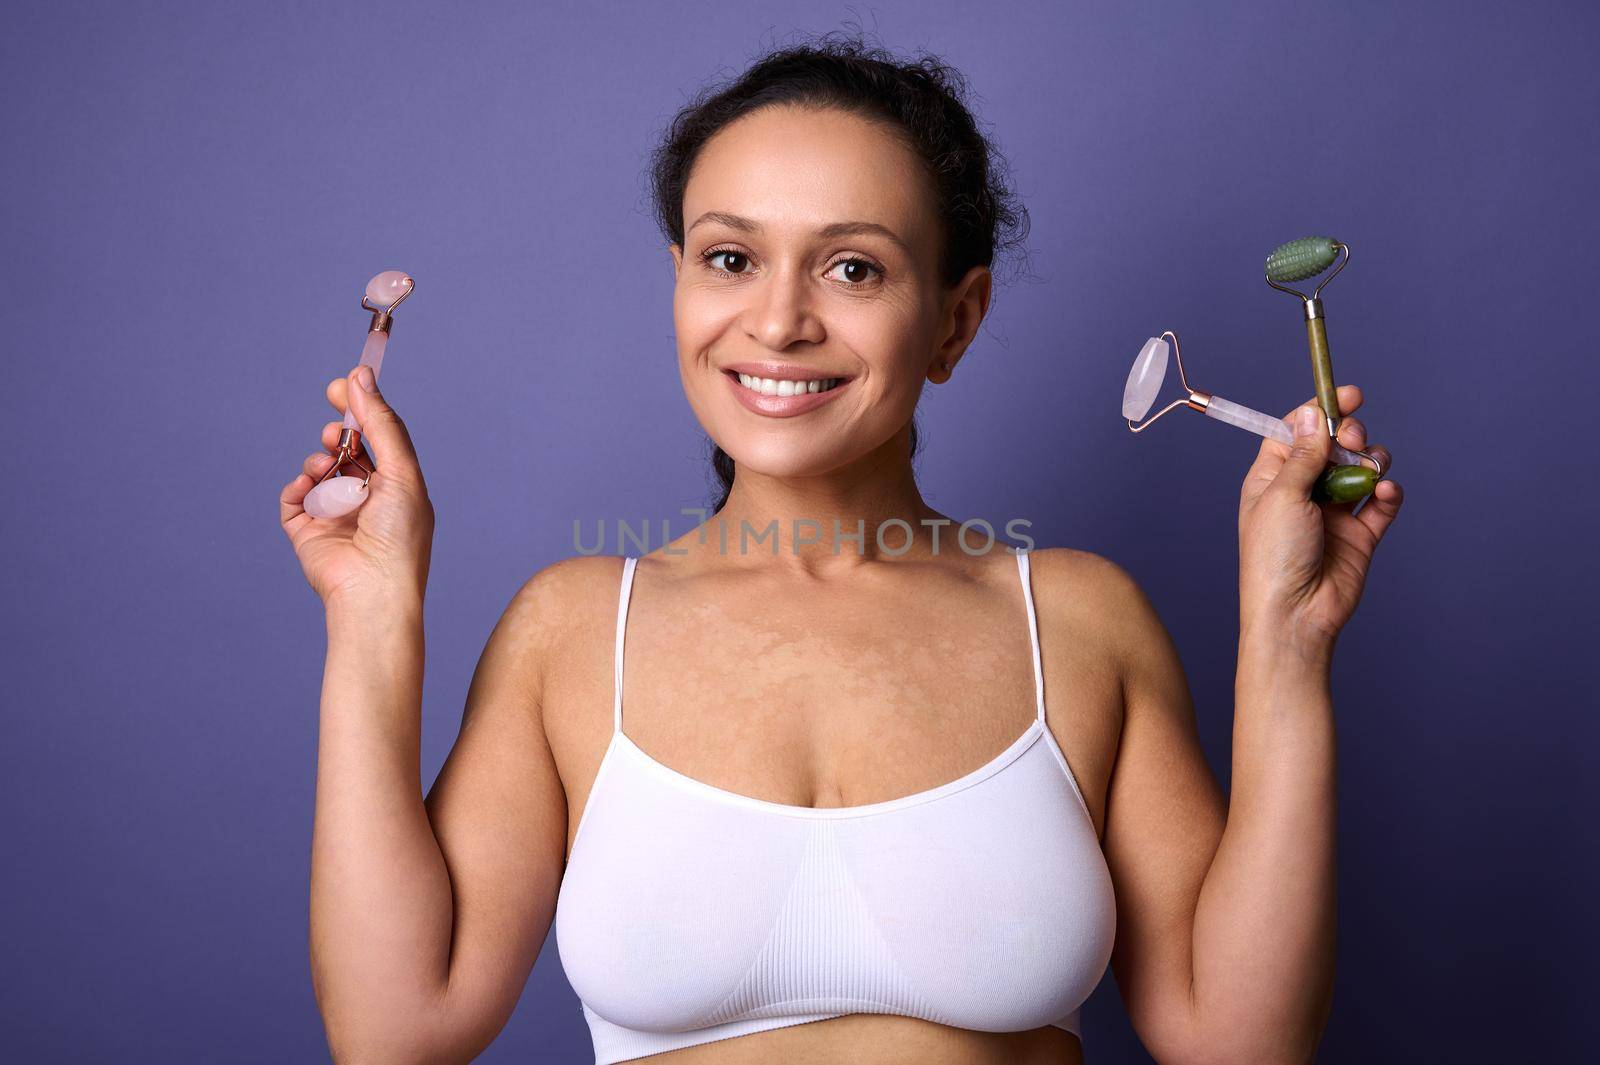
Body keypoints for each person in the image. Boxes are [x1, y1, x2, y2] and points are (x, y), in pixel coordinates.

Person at [279, 35, 1403, 1065]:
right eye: (729, 259)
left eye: (852, 268)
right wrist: (372, 610)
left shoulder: (1077, 619)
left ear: (955, 321)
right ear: (679, 278)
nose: (776, 322)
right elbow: (395, 1031)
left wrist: (1288, 640)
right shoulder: (570, 630)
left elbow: (1240, 1042)